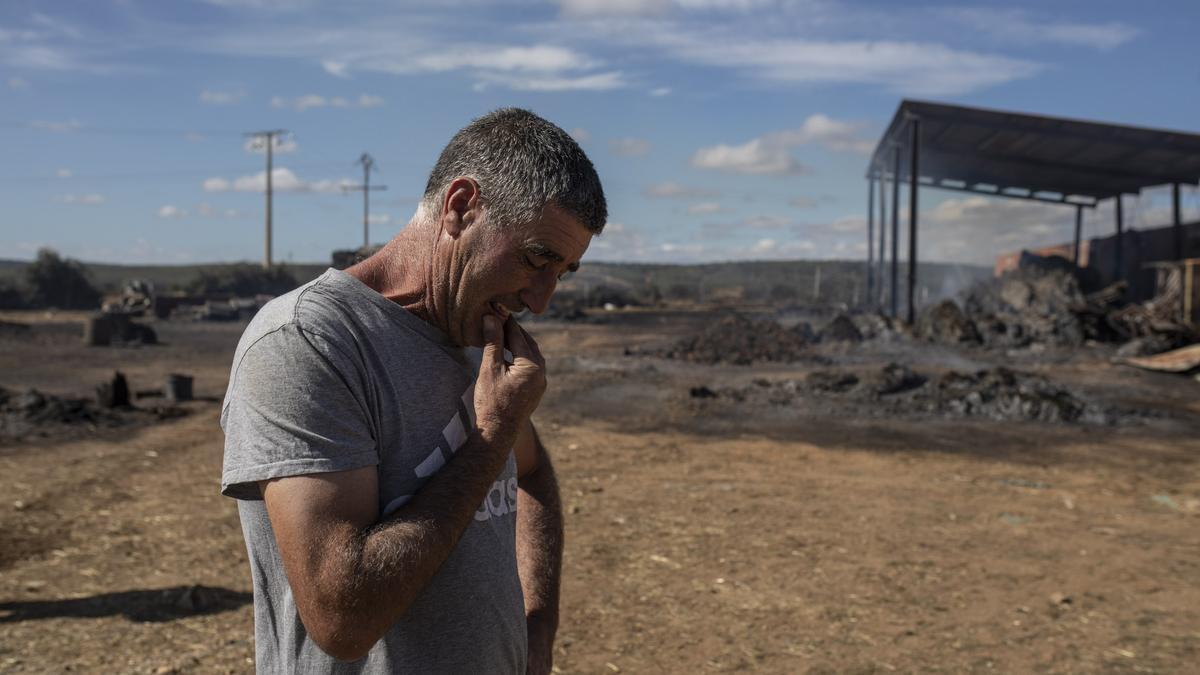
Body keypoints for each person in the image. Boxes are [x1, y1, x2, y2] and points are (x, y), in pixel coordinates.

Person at [220, 108, 607, 673]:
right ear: (460, 207)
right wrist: (491, 436)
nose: (542, 300)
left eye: (564, 271)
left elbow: (534, 474)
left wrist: (539, 623)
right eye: (536, 258)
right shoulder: (307, 341)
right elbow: (342, 619)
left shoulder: (478, 333)